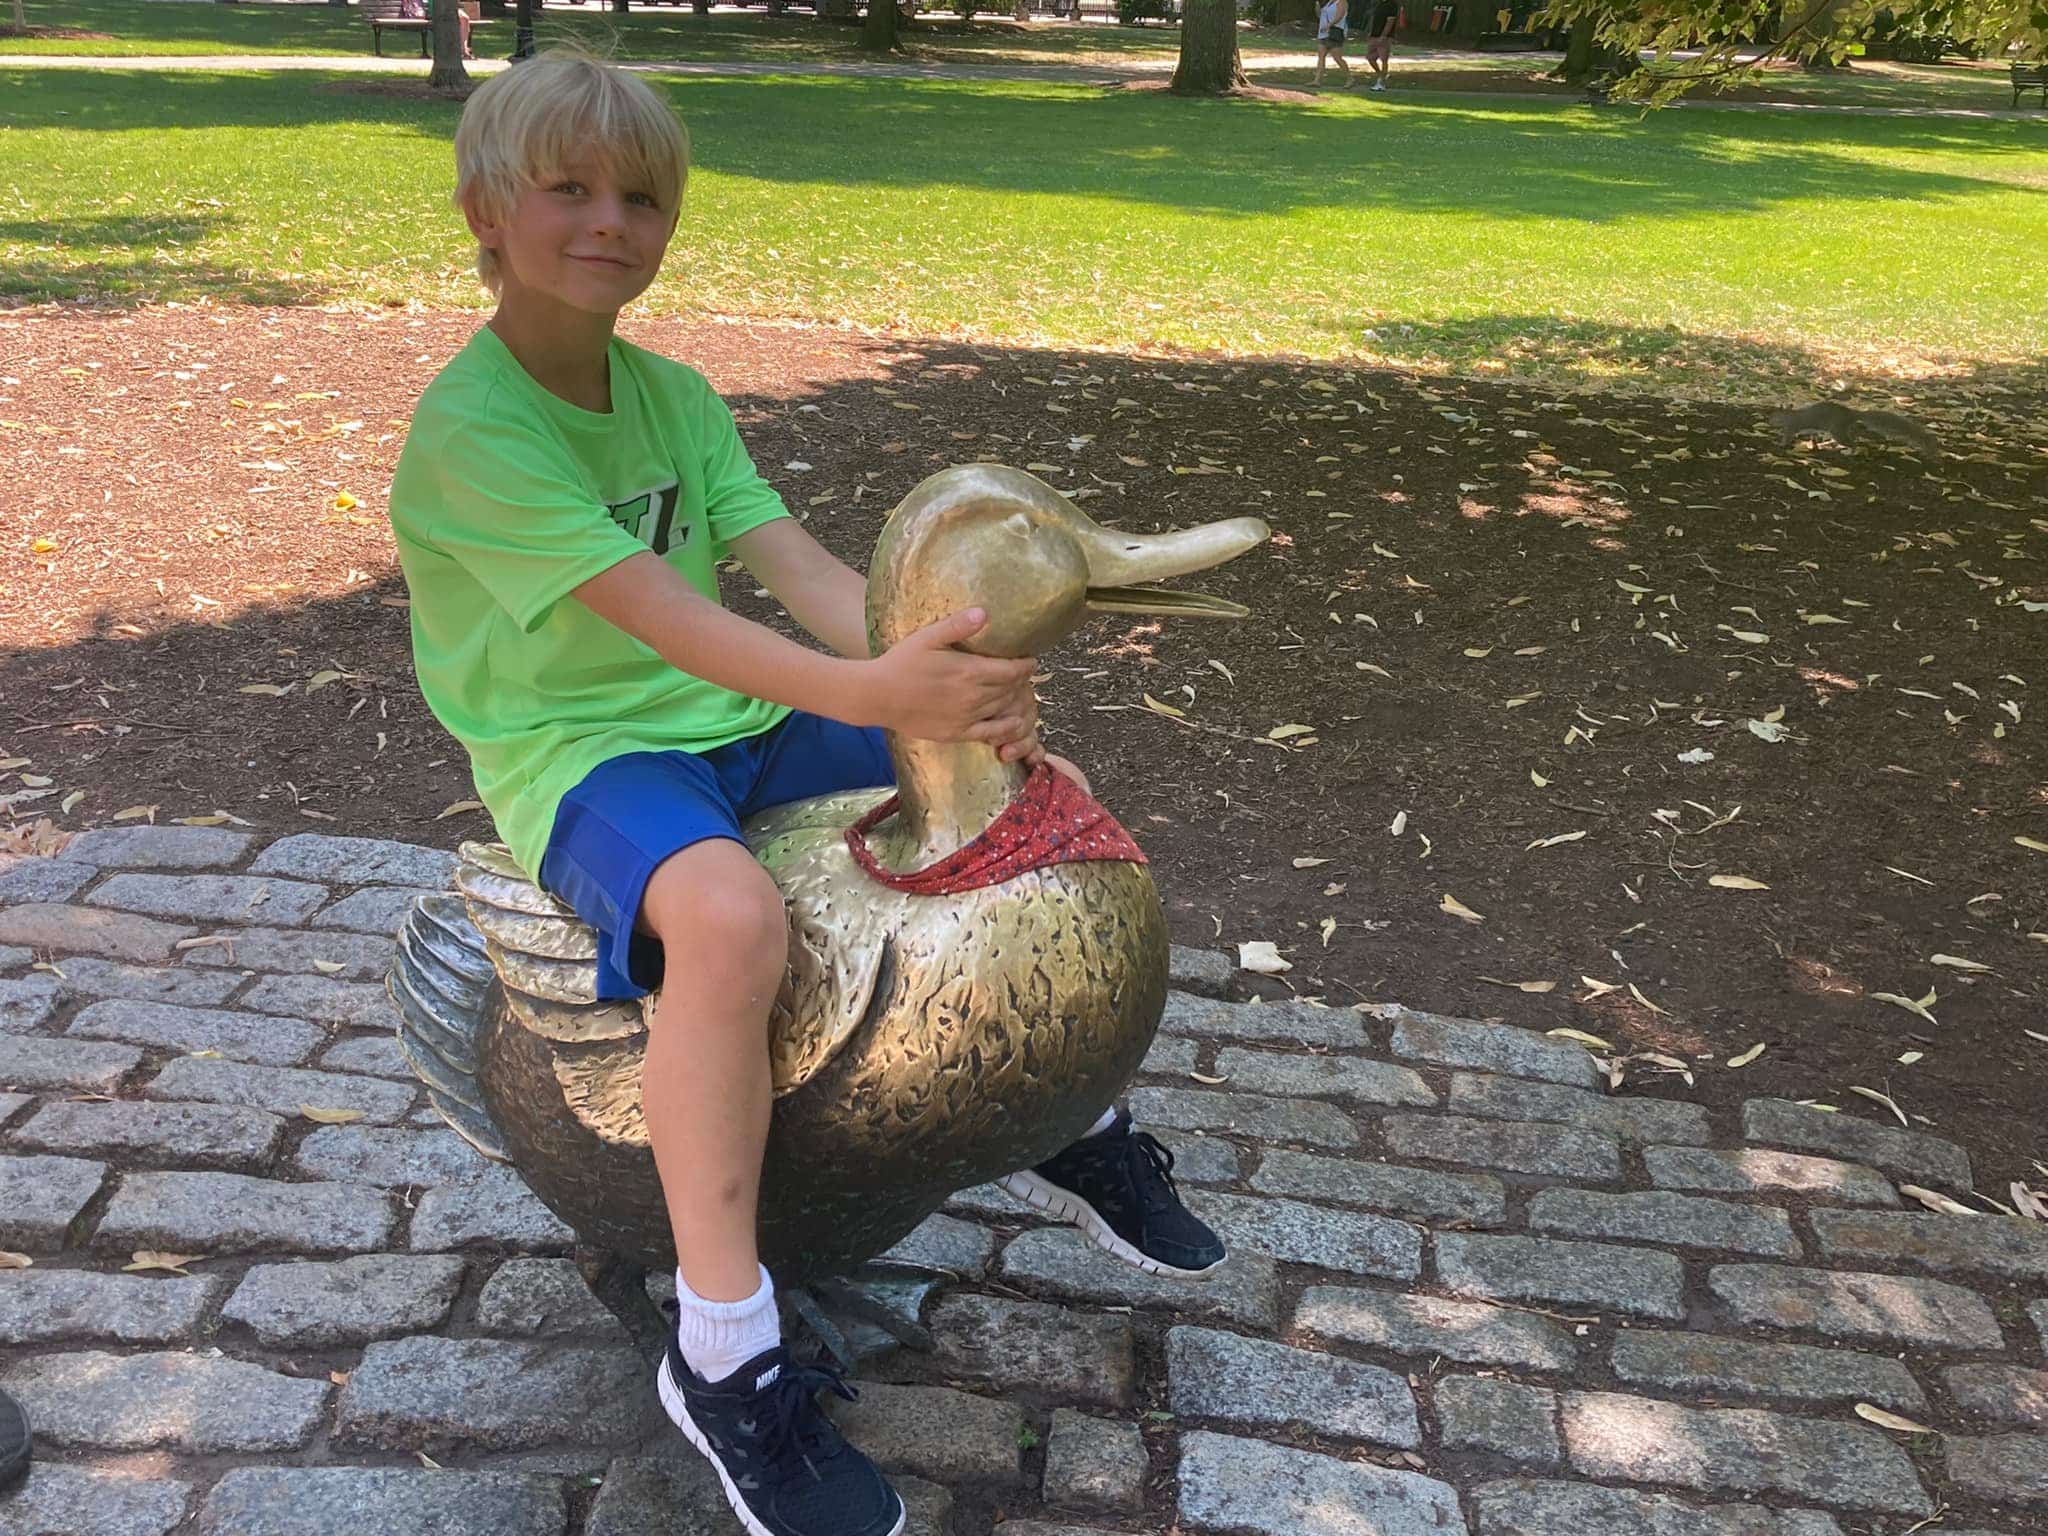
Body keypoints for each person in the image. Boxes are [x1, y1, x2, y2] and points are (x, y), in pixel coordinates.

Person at [387, 49, 1224, 1536]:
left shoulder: (676, 397)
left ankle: (1071, 1114)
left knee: (1026, 802)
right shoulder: (475, 432)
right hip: (589, 754)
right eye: (567, 189)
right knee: (724, 922)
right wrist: (875, 700)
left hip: (737, 718)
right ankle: (724, 1348)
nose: (609, 222)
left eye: (640, 196)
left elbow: (811, 585)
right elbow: (670, 618)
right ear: (485, 213)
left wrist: (948, 670)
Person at [400, 0, 474, 60]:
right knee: (463, 19)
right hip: (437, 11)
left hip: (448, 10)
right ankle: (463, 50)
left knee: (465, 18)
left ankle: (463, 49)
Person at [1314, 0, 1354, 87]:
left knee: (1337, 58)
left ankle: (1349, 79)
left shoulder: (1341, 2)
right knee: (1321, 57)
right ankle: (1317, 80)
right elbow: (1320, 15)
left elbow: (1339, 16)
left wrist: (1328, 25)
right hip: (1323, 33)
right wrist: (1317, 4)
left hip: (1334, 33)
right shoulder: (1329, 3)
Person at [1363, 0, 1398, 89]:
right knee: (1370, 58)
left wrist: (1384, 35)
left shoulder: (1392, 4)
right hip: (1374, 35)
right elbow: (1374, 19)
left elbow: (1390, 21)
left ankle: (1381, 84)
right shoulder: (1378, 4)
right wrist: (1370, 33)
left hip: (1384, 37)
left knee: (1384, 59)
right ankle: (1381, 75)